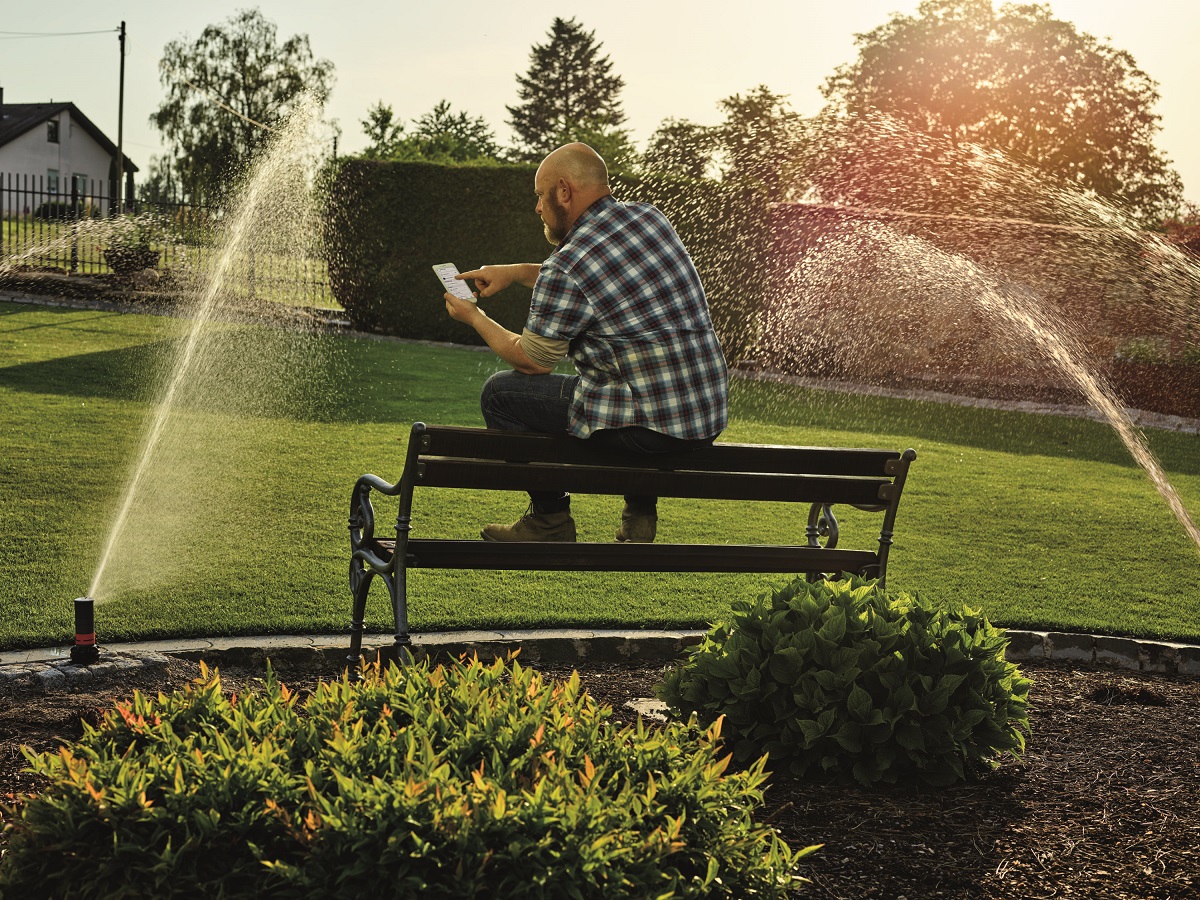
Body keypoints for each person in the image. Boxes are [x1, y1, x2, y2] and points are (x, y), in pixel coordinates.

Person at [443, 142, 728, 543]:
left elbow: (532, 361)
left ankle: (550, 519)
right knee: (635, 373)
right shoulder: (649, 219)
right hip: (703, 417)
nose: (538, 208)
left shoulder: (568, 264)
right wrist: (514, 272)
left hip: (647, 432)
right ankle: (640, 514)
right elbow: (598, 274)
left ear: (564, 191)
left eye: (541, 196)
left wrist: (474, 316)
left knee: (500, 393)